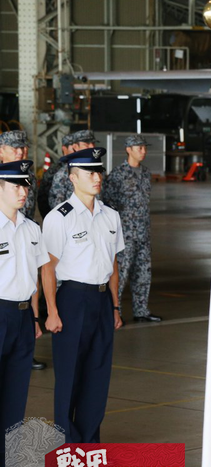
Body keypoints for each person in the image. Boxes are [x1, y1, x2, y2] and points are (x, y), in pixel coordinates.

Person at [42, 147, 124, 444]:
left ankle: (89, 442)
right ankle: (68, 443)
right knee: (70, 376)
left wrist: (115, 306)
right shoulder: (59, 218)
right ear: (73, 178)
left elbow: (113, 265)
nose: (97, 176)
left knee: (97, 375)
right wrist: (51, 311)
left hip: (102, 301)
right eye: (90, 172)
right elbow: (48, 268)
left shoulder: (111, 216)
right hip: (72, 300)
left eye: (98, 171)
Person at [0, 160, 47, 467]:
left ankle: (7, 462)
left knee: (15, 393)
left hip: (22, 316)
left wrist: (34, 317)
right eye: (15, 185)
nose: (23, 191)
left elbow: (35, 275)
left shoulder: (32, 230)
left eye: (25, 185)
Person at [103, 135, 161, 323]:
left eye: (144, 148)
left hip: (143, 232)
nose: (143, 151)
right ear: (128, 149)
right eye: (139, 148)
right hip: (125, 234)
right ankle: (114, 310)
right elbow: (108, 204)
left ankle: (141, 310)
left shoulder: (146, 173)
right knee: (120, 274)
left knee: (143, 273)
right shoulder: (117, 175)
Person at [48, 130, 97, 209]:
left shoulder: (98, 172)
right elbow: (58, 208)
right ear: (75, 147)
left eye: (93, 143)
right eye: (86, 144)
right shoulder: (63, 174)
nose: (92, 147)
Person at [38, 132, 77, 219]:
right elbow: (43, 199)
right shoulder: (54, 170)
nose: (76, 150)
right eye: (73, 147)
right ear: (64, 148)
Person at [0, 131, 37, 220]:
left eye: (22, 147)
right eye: (15, 148)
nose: (20, 152)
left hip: (26, 228)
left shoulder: (30, 175)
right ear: (1, 152)